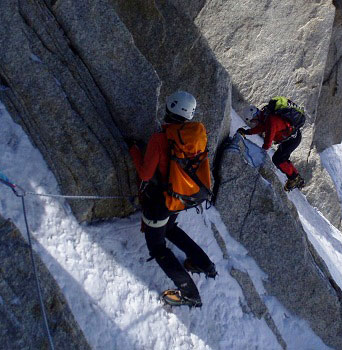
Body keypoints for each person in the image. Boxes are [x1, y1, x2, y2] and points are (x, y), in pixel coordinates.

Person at [129, 91, 217, 308]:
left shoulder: (160, 139)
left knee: (158, 248)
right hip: (182, 197)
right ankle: (204, 264)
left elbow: (145, 174)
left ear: (169, 109)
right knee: (170, 229)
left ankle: (190, 294)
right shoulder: (194, 136)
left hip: (160, 202)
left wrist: (133, 150)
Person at [237, 96, 306, 191]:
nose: (253, 123)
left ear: (254, 116)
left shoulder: (270, 120)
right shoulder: (266, 117)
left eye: (252, 120)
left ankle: (294, 178)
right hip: (292, 138)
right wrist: (247, 132)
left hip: (292, 140)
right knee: (280, 158)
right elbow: (261, 128)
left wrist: (263, 151)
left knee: (279, 159)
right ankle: (296, 177)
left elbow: (269, 137)